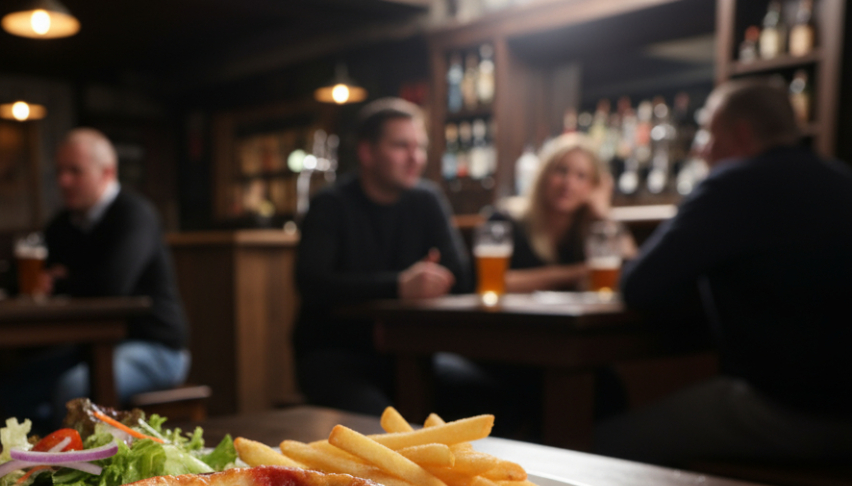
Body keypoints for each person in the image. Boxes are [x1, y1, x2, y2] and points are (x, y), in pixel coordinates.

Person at [595, 79, 852, 465]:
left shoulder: (733, 184)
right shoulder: (841, 180)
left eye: (708, 134)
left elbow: (639, 286)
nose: (701, 148)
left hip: (792, 410)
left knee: (594, 444)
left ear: (741, 134)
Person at [292, 97, 479, 419]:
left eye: (419, 147)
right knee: (381, 430)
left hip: (416, 354)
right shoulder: (331, 205)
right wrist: (400, 286)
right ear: (367, 153)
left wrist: (428, 282)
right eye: (401, 146)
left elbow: (461, 278)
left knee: (489, 398)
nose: (415, 158)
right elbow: (312, 283)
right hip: (337, 353)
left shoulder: (427, 199)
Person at [0, 128, 190, 430]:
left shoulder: (134, 214)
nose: (64, 181)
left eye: (75, 171)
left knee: (73, 391)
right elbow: (15, 278)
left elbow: (111, 285)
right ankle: (36, 464)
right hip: (91, 346)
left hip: (156, 348)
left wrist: (61, 281)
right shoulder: (65, 223)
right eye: (60, 171)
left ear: (107, 172)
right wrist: (61, 279)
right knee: (14, 387)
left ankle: (73, 467)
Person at [494, 133, 634, 292]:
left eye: (581, 176)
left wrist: (604, 213)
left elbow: (633, 272)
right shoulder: (507, 221)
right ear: (543, 175)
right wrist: (577, 273)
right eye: (561, 171)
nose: (569, 183)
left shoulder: (592, 229)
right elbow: (495, 282)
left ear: (594, 186)